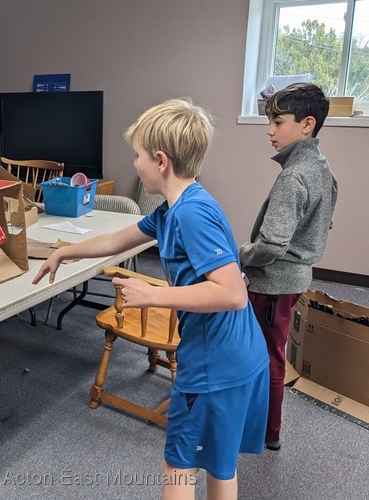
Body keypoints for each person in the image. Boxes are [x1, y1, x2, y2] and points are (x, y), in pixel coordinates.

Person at [33, 99, 269, 500]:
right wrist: (62, 251)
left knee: (179, 466)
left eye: (137, 155)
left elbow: (231, 293)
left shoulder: (192, 214)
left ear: (161, 160)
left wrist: (154, 295)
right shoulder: (171, 210)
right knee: (218, 463)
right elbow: (113, 240)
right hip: (239, 356)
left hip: (214, 364)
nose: (134, 164)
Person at [240, 82, 338, 451]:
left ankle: (269, 432)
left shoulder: (294, 176)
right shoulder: (321, 167)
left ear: (307, 124)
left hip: (274, 282)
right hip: (296, 278)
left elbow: (272, 244)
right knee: (271, 351)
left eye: (277, 121)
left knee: (268, 357)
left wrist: (241, 254)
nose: (269, 131)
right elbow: (325, 221)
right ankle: (263, 422)